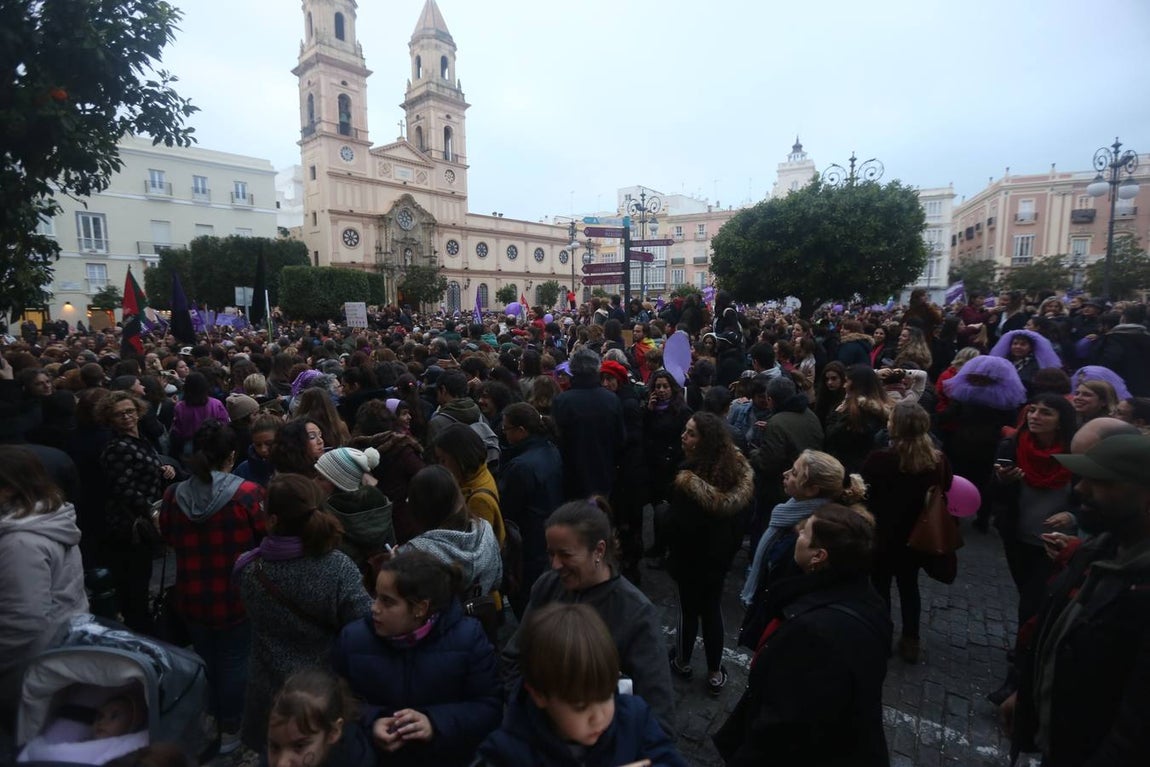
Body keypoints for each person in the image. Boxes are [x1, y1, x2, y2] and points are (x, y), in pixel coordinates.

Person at [1005, 434, 1150, 767]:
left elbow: (1135, 726)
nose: (1080, 489)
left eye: (1101, 481)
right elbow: (1057, 634)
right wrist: (1029, 695)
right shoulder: (1097, 550)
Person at [713, 504, 892, 766]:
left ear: (818, 556)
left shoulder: (813, 633)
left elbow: (784, 726)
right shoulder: (868, 599)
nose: (798, 533)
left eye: (805, 532)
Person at [502, 499, 675, 734]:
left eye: (565, 554)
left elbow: (659, 718)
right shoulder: (548, 586)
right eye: (551, 554)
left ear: (599, 551)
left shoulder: (637, 615)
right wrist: (532, 711)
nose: (555, 565)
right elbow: (513, 658)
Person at [235, 474, 372, 751]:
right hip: (323, 689)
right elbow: (364, 622)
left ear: (273, 520)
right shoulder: (337, 567)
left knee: (276, 753)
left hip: (270, 690)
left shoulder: (249, 570)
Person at [332, 551, 502, 767]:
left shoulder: (467, 639)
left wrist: (435, 723)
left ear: (420, 608)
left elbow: (489, 708)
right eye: (376, 596)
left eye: (387, 602)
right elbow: (335, 703)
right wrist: (371, 722)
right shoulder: (354, 639)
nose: (374, 608)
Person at [159, 419, 265, 753]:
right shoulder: (247, 494)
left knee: (206, 657)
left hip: (191, 592)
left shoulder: (174, 494)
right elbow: (265, 537)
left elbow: (167, 535)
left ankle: (211, 715)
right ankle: (230, 724)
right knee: (235, 659)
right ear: (231, 455)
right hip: (236, 594)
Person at [476, 603, 686, 767]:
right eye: (581, 707)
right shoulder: (507, 753)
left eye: (606, 696)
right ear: (539, 695)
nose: (599, 717)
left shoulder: (634, 719)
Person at [0, 447, 88, 725]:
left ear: (9, 488)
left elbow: (24, 619)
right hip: (63, 647)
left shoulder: (20, 541)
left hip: (33, 665)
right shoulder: (50, 518)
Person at [667, 413, 754, 695]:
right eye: (685, 430)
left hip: (690, 560)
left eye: (691, 433)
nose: (683, 436)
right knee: (712, 610)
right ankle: (715, 671)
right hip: (718, 560)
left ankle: (682, 661)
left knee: (688, 610)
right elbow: (742, 523)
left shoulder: (687, 481)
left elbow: (679, 526)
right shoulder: (736, 474)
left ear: (705, 442)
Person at [862, 402, 953, 663]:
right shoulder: (937, 460)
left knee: (880, 589)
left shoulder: (880, 460)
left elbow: (864, 491)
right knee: (909, 587)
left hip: (883, 535)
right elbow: (946, 487)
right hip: (916, 536)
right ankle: (911, 639)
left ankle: (882, 636)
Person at [98, 390, 177, 632]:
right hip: (129, 525)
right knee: (135, 582)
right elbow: (124, 488)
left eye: (130, 411)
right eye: (119, 414)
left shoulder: (139, 439)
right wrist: (151, 512)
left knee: (141, 578)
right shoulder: (117, 448)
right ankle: (140, 629)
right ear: (110, 419)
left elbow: (143, 468)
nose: (126, 417)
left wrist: (163, 469)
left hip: (141, 518)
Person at [497, 403, 563, 610]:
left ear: (521, 431)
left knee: (526, 596)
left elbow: (508, 508)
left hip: (528, 538)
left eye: (506, 428)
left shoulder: (520, 466)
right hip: (546, 528)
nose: (504, 433)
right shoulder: (550, 449)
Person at [551, 348, 625, 499]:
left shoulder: (562, 401)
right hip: (604, 470)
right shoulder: (611, 399)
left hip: (572, 474)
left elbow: (557, 439)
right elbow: (620, 439)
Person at [265, 669, 376, 767]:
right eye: (274, 747)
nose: (282, 763)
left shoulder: (357, 760)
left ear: (333, 732)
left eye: (299, 746)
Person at [432, 424, 505, 545]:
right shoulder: (478, 472)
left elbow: (476, 548)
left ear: (460, 458)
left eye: (443, 460)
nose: (441, 466)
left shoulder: (478, 500)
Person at [823, 365, 890, 475]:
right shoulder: (881, 411)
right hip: (869, 468)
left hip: (849, 470)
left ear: (856, 385)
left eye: (847, 381)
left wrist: (836, 414)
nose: (844, 386)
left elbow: (832, 436)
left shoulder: (854, 414)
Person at [170, 371, 229, 456]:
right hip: (213, 444)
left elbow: (177, 430)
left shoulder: (179, 407)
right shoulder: (216, 404)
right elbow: (225, 423)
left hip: (190, 446)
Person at [233, 413, 281, 488]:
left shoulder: (294, 465)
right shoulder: (243, 470)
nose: (263, 449)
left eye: (269, 443)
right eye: (258, 445)